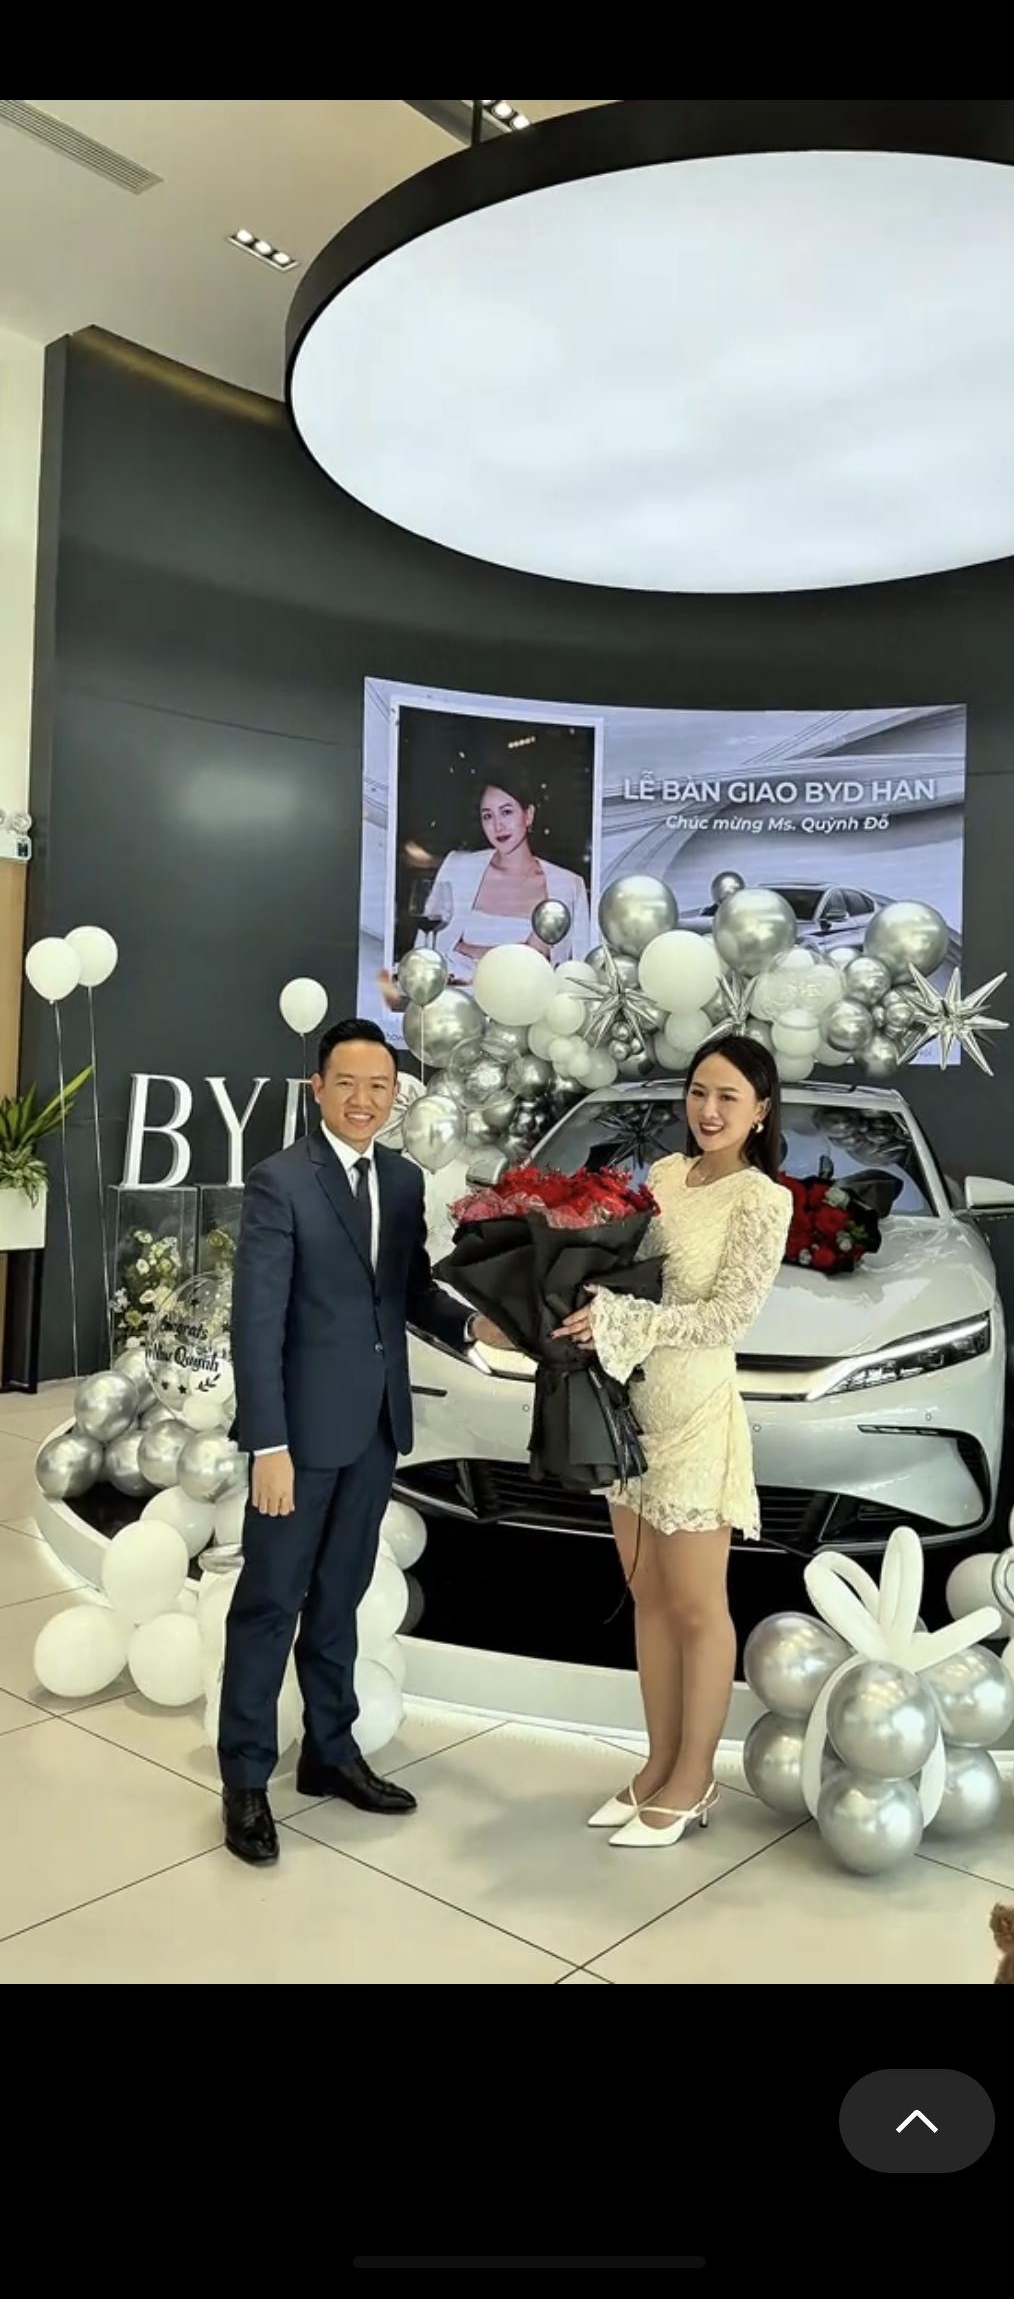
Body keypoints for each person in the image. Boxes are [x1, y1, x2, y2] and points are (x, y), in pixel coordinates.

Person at [218, 1016, 506, 1867]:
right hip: (299, 1439)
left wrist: (478, 1326)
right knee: (270, 1603)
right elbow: (256, 1323)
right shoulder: (280, 1181)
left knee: (340, 1595)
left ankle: (330, 1752)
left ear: (394, 1096)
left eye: (379, 1086)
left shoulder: (403, 1181)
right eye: (347, 1083)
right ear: (318, 1089)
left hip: (376, 1427)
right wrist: (268, 1445)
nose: (363, 1099)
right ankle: (244, 1780)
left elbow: (408, 1293)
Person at [553, 1034, 792, 1851]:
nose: (709, 1110)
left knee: (696, 1605)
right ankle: (658, 1762)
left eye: (729, 1097)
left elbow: (729, 1318)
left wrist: (622, 1320)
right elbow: (628, 1275)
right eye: (699, 1092)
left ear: (760, 1111)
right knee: (647, 1594)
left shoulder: (763, 1200)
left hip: (695, 1414)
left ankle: (696, 1776)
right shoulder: (662, 1176)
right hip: (634, 1407)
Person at [417, 766, 591, 981]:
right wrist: (521, 951)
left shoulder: (567, 885)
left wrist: (467, 949)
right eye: (487, 816)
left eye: (506, 812)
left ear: (528, 815)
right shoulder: (459, 868)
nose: (497, 826)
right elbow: (425, 951)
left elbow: (580, 972)